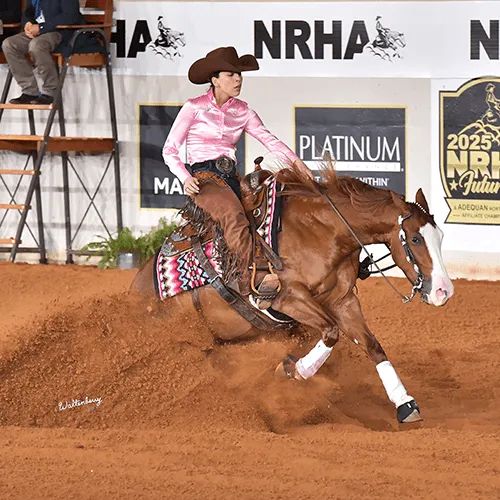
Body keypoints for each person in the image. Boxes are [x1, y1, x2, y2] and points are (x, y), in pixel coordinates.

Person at [163, 46, 312, 307]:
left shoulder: (243, 111)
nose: (238, 79)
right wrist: (185, 177)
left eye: (239, 75)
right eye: (231, 75)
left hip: (230, 177)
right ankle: (248, 280)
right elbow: (170, 149)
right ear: (215, 79)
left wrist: (297, 163)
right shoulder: (194, 107)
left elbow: (269, 140)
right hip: (204, 178)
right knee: (233, 215)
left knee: (270, 206)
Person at [2, 0, 84, 105]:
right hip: (37, 32)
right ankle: (29, 91)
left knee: (37, 45)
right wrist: (28, 23)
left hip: (58, 31)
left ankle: (50, 91)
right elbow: (28, 12)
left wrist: (41, 27)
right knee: (9, 44)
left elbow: (70, 15)